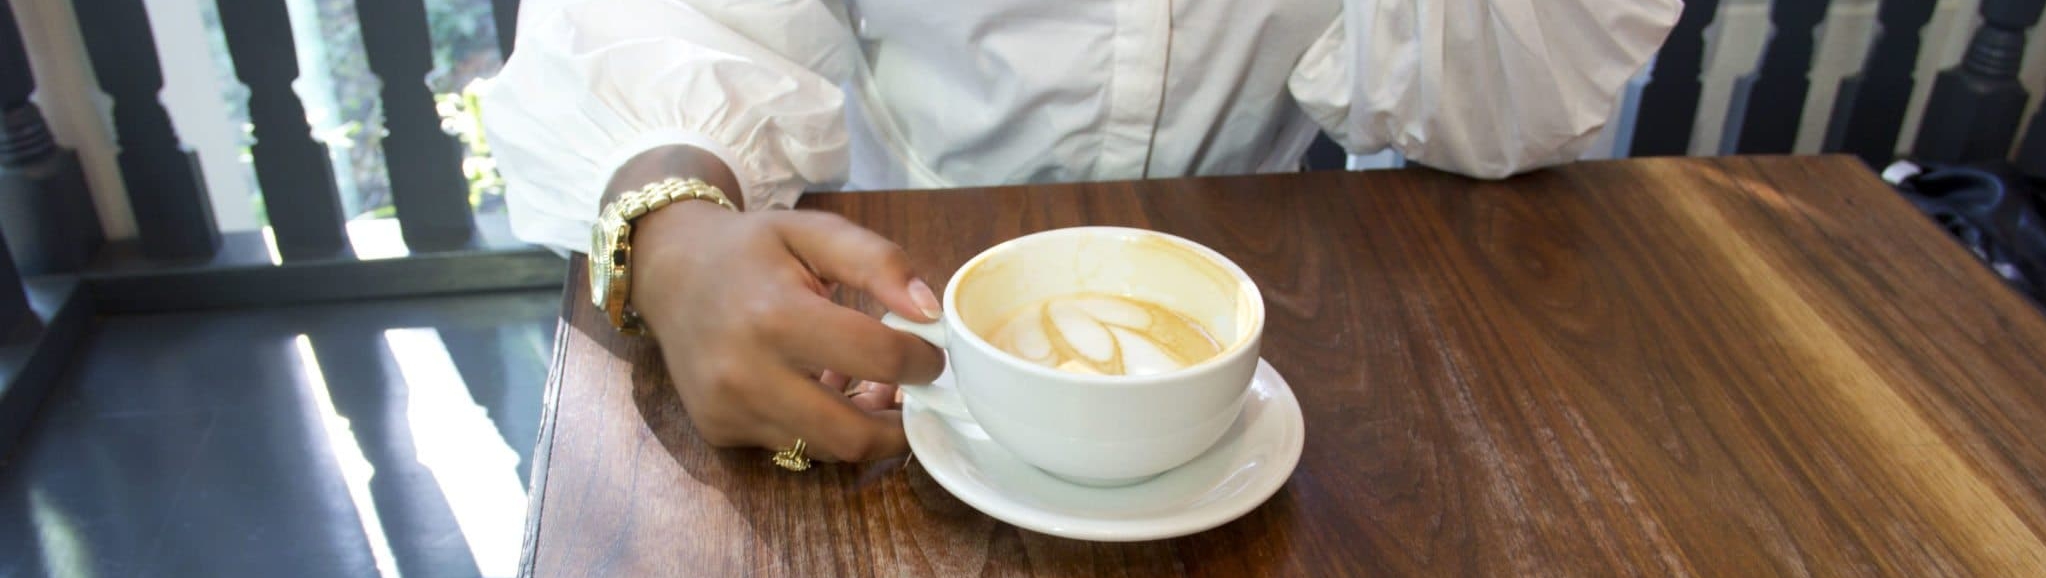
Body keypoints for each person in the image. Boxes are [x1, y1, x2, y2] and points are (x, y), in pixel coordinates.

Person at [481, 0, 1680, 467]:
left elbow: (1501, 100)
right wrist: (675, 218)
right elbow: (665, 20)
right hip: (890, 326)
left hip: (1282, 321)